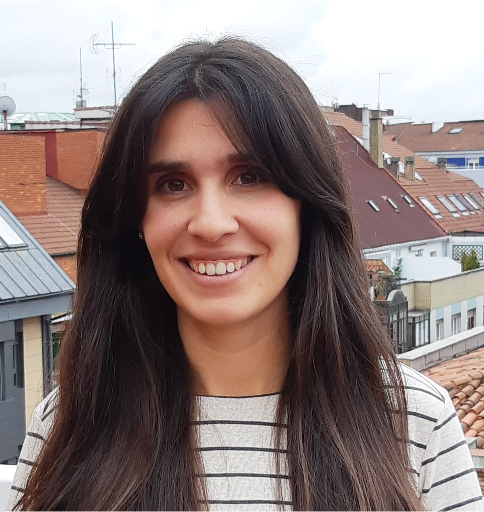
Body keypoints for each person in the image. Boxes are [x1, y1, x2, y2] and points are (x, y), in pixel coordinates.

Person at [7, 38, 483, 512]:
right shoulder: (70, 426)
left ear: (306, 204)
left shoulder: (416, 425)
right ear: (136, 220)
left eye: (249, 176)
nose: (211, 223)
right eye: (173, 184)